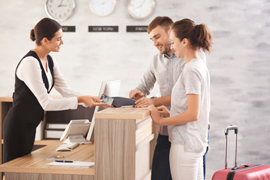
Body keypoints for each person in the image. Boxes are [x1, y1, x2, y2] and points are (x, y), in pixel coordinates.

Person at [3, 18, 108, 163]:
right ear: (45, 40)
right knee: (13, 170)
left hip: (30, 124)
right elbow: (46, 103)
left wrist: (88, 97)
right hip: (17, 126)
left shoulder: (50, 59)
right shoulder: (30, 63)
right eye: (59, 39)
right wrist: (80, 100)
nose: (62, 43)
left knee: (24, 170)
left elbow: (65, 90)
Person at [129, 16, 207, 180]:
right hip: (170, 132)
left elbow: (188, 102)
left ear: (171, 33)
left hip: (188, 133)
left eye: (157, 37)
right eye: (152, 39)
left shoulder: (192, 61)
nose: (155, 43)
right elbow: (144, 85)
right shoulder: (156, 61)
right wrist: (137, 92)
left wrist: (157, 110)